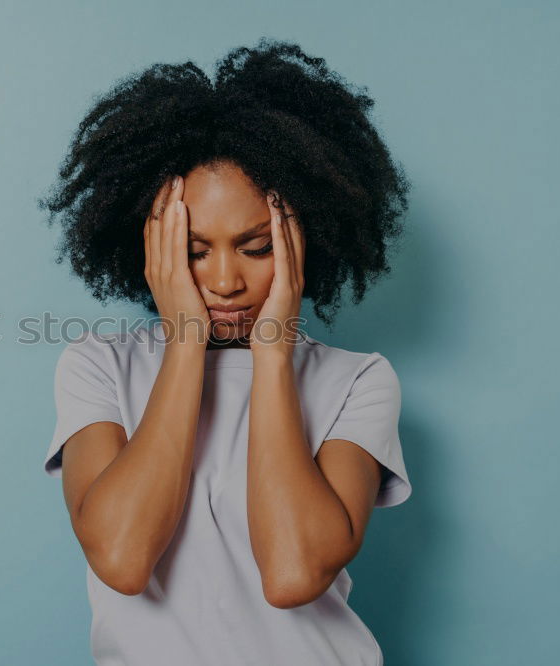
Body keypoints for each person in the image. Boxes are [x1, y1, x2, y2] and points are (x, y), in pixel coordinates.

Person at [38, 38, 412, 666]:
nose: (223, 281)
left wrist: (274, 357)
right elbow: (124, 560)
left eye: (256, 247)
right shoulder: (99, 366)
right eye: (193, 250)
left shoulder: (358, 382)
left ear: (305, 239)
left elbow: (293, 575)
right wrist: (184, 341)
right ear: (150, 249)